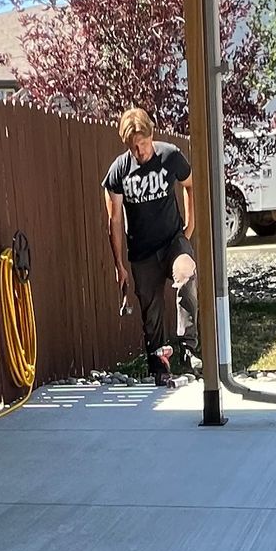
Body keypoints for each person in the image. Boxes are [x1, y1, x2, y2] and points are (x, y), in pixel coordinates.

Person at [103, 107, 197, 388]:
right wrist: (119, 265)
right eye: (134, 147)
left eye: (143, 144)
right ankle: (159, 369)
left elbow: (190, 185)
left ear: (151, 136)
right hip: (142, 252)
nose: (140, 151)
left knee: (187, 276)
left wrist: (189, 228)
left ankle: (189, 349)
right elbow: (114, 220)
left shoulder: (170, 156)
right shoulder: (118, 171)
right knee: (151, 313)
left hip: (172, 240)